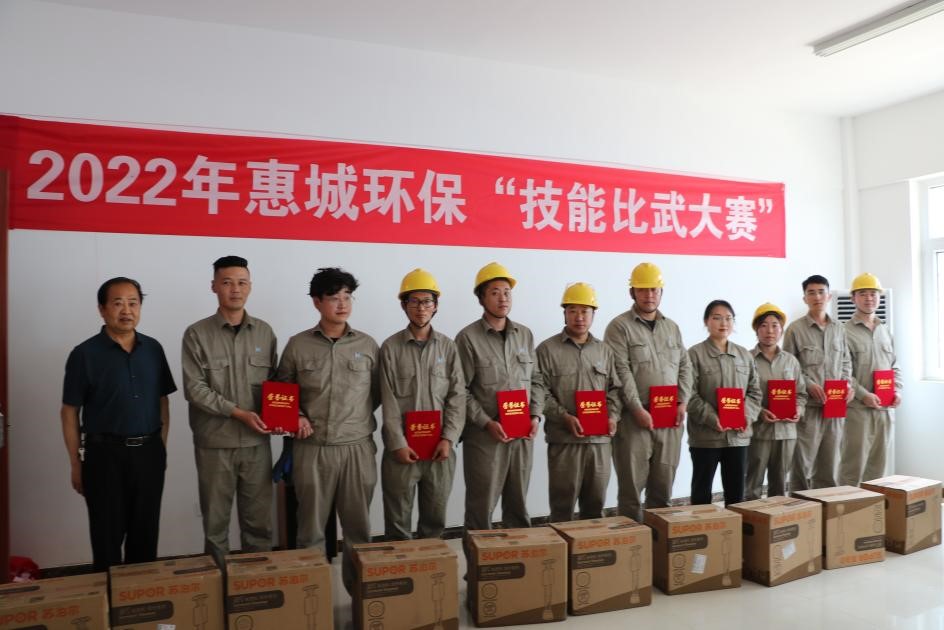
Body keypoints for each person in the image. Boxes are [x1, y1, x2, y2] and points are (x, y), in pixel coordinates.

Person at [61, 277, 177, 571]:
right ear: (102, 309)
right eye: (118, 303)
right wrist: (76, 463)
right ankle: (108, 596)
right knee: (107, 537)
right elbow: (69, 411)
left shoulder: (153, 349)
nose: (127, 310)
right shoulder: (84, 354)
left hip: (149, 452)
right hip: (104, 456)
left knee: (145, 534)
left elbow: (162, 401)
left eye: (133, 303)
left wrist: (160, 447)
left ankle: (141, 596)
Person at [275, 267, 380, 592]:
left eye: (347, 296)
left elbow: (377, 393)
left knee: (358, 531)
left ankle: (360, 599)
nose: (342, 304)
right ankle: (313, 602)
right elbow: (281, 391)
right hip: (312, 448)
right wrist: (296, 415)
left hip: (356, 448)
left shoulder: (367, 345)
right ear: (317, 302)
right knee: (310, 531)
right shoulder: (298, 345)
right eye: (334, 297)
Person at [181, 255, 278, 567]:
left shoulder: (265, 333)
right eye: (227, 282)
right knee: (216, 525)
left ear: (250, 287)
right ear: (214, 286)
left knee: (259, 525)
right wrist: (238, 413)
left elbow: (276, 386)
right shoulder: (197, 334)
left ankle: (257, 586)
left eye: (242, 282)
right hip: (215, 444)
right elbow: (195, 389)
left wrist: (283, 415)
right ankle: (219, 586)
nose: (235, 289)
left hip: (256, 445)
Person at [455, 262, 544, 531]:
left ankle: (519, 556)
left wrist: (535, 415)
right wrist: (486, 423)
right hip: (485, 437)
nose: (503, 298)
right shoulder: (468, 338)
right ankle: (479, 558)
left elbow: (537, 380)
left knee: (518, 505)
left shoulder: (524, 335)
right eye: (494, 292)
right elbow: (460, 390)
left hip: (522, 434)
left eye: (507, 292)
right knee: (481, 508)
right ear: (481, 298)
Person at [379, 269, 465, 540]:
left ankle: (431, 566)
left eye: (427, 301)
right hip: (402, 451)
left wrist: (449, 439)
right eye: (414, 301)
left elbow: (457, 397)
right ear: (404, 305)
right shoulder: (390, 348)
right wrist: (398, 444)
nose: (421, 308)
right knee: (397, 522)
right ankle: (401, 564)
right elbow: (388, 401)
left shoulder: (448, 348)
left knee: (434, 521)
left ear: (436, 305)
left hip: (440, 450)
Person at [604, 262, 693, 522]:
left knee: (663, 490)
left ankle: (659, 540)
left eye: (654, 289)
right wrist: (636, 409)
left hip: (670, 420)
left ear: (661, 292)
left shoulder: (671, 327)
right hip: (634, 421)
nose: (649, 295)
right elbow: (621, 371)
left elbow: (685, 366)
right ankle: (633, 543)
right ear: (632, 292)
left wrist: (683, 402)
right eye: (642, 289)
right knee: (631, 491)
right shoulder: (619, 327)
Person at [537, 283, 621, 522]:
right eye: (573, 310)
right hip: (565, 442)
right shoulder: (547, 350)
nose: (579, 317)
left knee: (595, 508)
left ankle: (591, 547)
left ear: (594, 314)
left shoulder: (605, 351)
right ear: (564, 313)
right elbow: (539, 392)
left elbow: (615, 389)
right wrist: (563, 416)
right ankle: (561, 548)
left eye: (585, 311)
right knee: (562, 509)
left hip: (599, 443)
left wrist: (612, 416)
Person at [687, 300, 761, 506]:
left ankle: (736, 528)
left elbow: (755, 392)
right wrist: (712, 418)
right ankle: (702, 526)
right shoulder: (694, 354)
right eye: (717, 318)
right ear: (706, 321)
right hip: (705, 437)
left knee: (736, 495)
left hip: (738, 437)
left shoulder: (744, 355)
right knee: (701, 493)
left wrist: (745, 416)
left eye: (728, 318)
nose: (723, 323)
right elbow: (689, 394)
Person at [782, 275, 853, 491]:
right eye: (811, 293)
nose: (817, 297)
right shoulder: (795, 329)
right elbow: (788, 367)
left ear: (829, 296)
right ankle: (800, 506)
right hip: (809, 409)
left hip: (835, 408)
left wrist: (847, 385)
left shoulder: (839, 328)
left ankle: (827, 507)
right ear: (805, 298)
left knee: (830, 465)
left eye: (821, 292)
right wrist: (808, 384)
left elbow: (846, 361)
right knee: (802, 464)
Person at [840, 273, 901, 486]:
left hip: (884, 410)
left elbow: (895, 366)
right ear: (853, 298)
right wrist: (863, 395)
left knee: (878, 470)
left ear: (879, 297)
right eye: (863, 294)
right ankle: (847, 507)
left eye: (873, 293)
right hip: (858, 410)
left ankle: (874, 508)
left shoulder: (885, 331)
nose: (869, 298)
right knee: (852, 467)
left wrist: (897, 390)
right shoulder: (844, 332)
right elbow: (843, 372)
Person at [745, 303, 807, 500]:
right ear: (756, 329)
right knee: (752, 484)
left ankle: (777, 518)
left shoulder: (791, 361)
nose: (770, 331)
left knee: (779, 485)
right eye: (764, 325)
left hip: (786, 433)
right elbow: (741, 395)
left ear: (781, 330)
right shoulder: (746, 359)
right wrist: (759, 411)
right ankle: (751, 517)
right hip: (758, 432)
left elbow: (801, 394)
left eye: (775, 325)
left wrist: (798, 409)